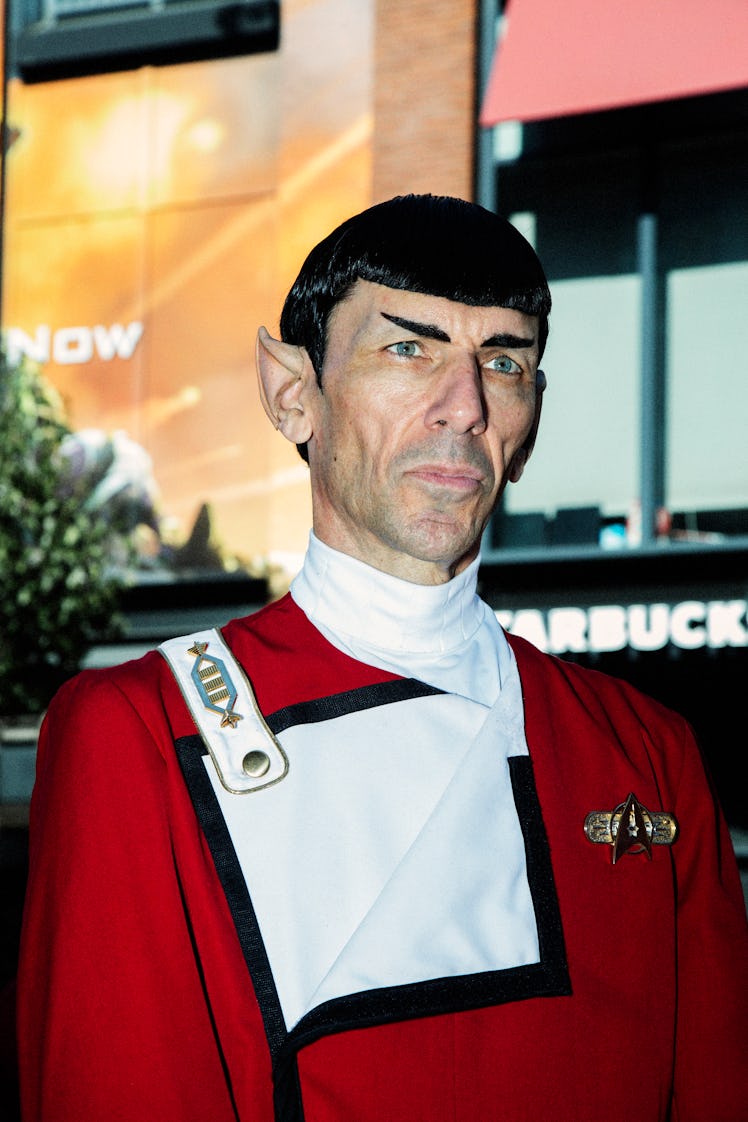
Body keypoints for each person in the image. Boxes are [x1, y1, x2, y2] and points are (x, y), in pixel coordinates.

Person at [17, 195, 747, 1122]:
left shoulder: (650, 751)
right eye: (409, 349)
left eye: (505, 360)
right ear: (293, 392)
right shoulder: (140, 732)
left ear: (531, 418)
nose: (466, 406)